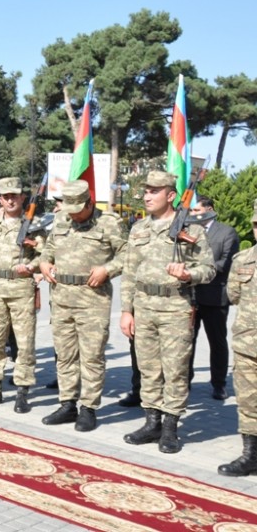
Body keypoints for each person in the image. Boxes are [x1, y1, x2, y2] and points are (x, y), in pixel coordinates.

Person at [121, 170, 214, 454]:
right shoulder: (139, 228)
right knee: (148, 367)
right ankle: (152, 422)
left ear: (171, 195)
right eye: (146, 191)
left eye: (154, 191)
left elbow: (209, 269)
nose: (147, 196)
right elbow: (129, 273)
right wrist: (126, 310)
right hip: (144, 306)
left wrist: (188, 274)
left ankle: (171, 427)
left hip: (176, 307)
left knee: (174, 369)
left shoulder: (192, 229)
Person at [39, 180, 126, 432]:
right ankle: (67, 404)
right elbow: (49, 250)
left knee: (91, 357)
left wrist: (107, 270)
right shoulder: (61, 220)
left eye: (78, 210)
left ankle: (89, 408)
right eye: (70, 210)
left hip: (93, 300)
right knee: (65, 355)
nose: (74, 215)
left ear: (90, 203)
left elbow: (126, 254)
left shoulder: (109, 223)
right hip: (62, 298)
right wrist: (44, 263)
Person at [0, 178, 43, 414]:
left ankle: (22, 392)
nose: (11, 200)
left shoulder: (33, 224)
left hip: (21, 289)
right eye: (6, 196)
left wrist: (32, 267)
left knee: (24, 344)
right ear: (1, 199)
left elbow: (46, 256)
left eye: (15, 195)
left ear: (22, 198)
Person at [188, 194, 239, 400]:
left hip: (215, 296)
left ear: (209, 210)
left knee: (217, 342)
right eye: (192, 211)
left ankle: (219, 384)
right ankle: (184, 381)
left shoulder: (227, 232)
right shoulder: (188, 230)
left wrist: (195, 269)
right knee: (187, 341)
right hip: (190, 295)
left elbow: (226, 264)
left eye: (197, 210)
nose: (193, 214)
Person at [219, 198, 257, 477]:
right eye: (256, 224)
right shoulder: (243, 260)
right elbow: (233, 295)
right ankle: (251, 456)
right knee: (248, 402)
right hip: (247, 345)